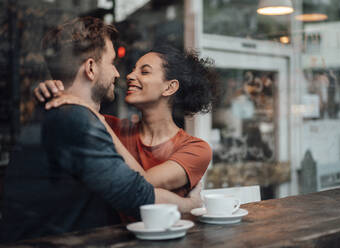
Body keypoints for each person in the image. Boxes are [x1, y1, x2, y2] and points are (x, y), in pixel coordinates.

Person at [0, 17, 201, 244]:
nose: (119, 74)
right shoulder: (74, 120)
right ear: (91, 68)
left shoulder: (64, 114)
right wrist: (191, 204)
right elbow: (140, 198)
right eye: (112, 62)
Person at [34, 44, 217, 199]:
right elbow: (73, 108)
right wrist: (51, 91)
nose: (129, 76)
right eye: (133, 69)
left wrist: (95, 117)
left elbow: (142, 184)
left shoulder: (196, 149)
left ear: (170, 87)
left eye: (144, 72)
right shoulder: (110, 127)